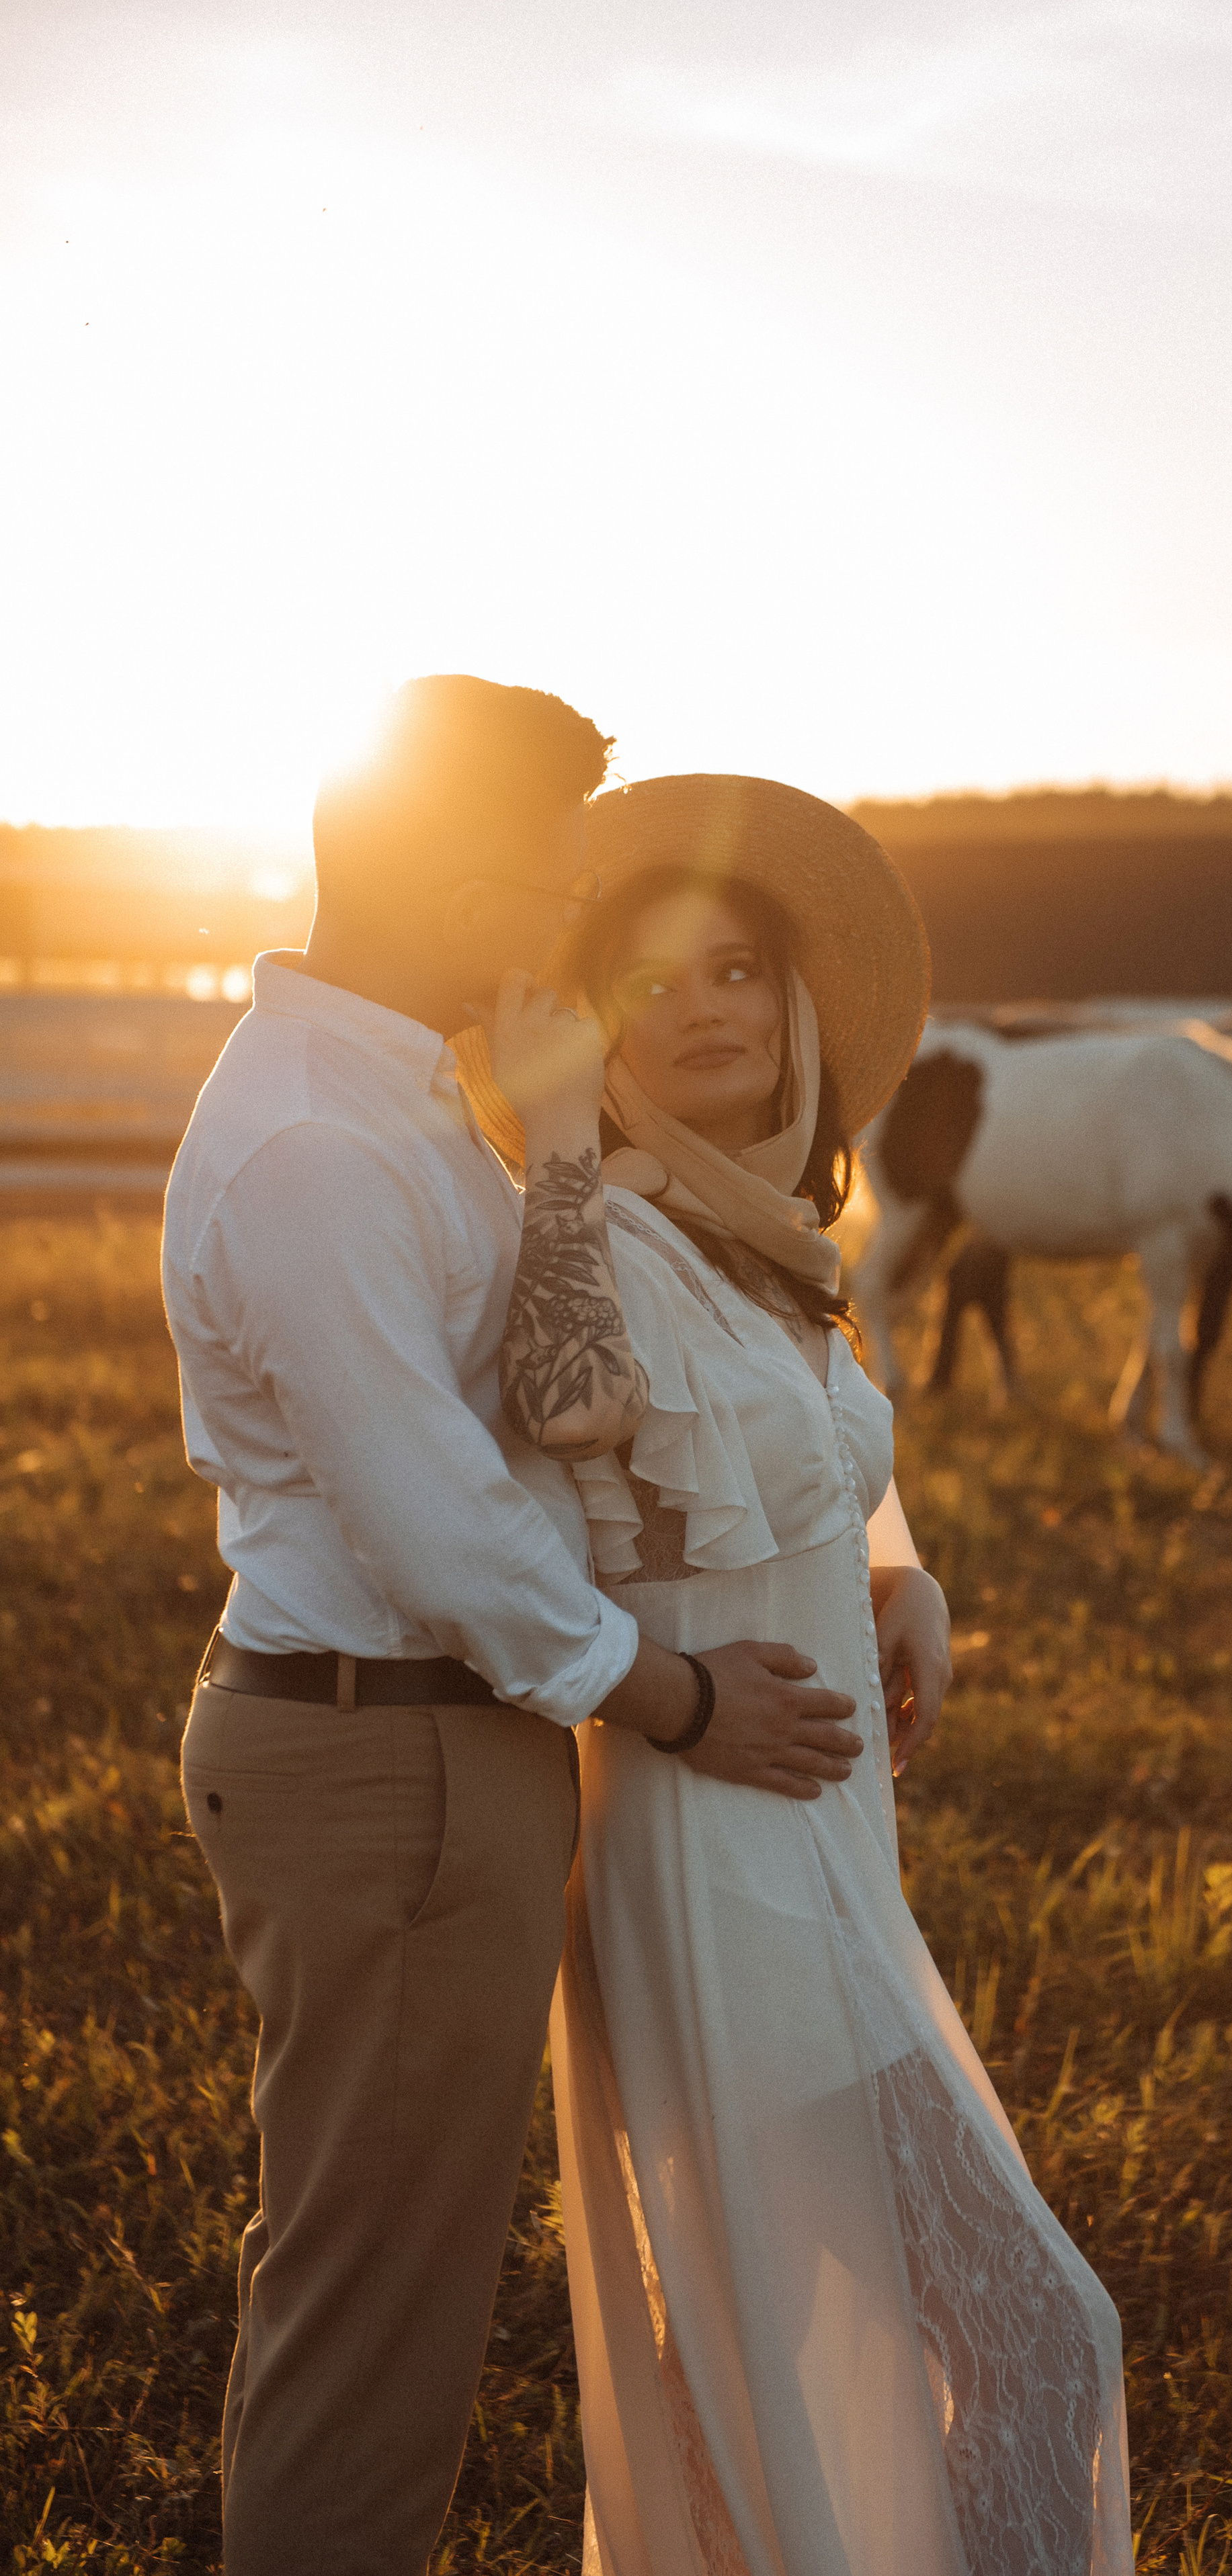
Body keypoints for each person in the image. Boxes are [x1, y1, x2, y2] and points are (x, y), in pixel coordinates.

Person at [163, 682, 867, 2576]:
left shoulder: (395, 1095)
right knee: (373, 2317)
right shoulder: (317, 1145)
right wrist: (679, 1692)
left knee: (394, 2280)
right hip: (379, 1740)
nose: (561, 924)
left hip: (430, 1743)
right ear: (458, 879)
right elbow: (440, 1522)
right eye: (546, 880)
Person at [460, 773, 1132, 2575]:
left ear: (795, 1008)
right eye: (650, 984)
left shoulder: (770, 1246)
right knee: (1042, 2333)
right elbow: (572, 1404)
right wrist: (560, 1153)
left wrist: (900, 1570)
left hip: (821, 1830)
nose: (701, 1012)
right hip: (713, 1836)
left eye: (737, 971)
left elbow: (822, 1447)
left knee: (741, 2349)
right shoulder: (602, 1223)